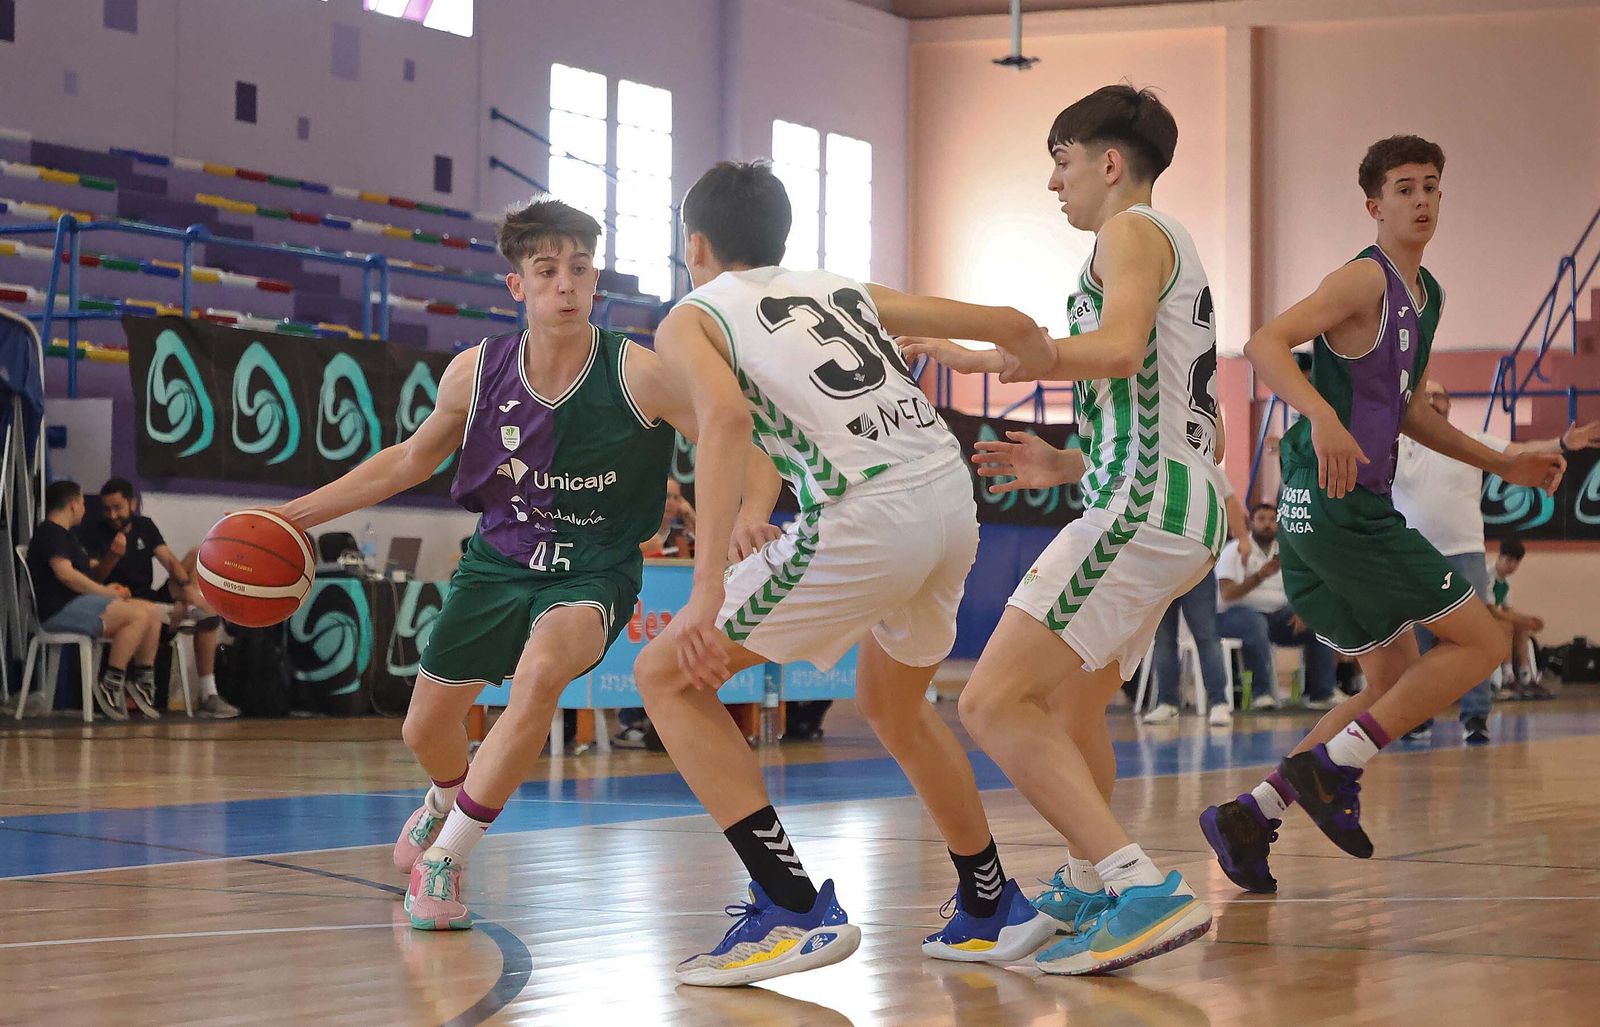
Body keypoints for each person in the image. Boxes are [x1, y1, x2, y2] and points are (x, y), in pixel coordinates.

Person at [266, 197, 751, 931]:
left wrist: (754, 511)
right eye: (547, 270)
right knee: (424, 729)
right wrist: (292, 516)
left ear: (596, 282)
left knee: (539, 673)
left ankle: (447, 858)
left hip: (592, 572)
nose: (566, 285)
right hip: (499, 562)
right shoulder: (477, 372)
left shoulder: (640, 373)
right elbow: (406, 460)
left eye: (580, 270)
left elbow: (733, 432)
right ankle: (442, 797)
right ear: (517, 285)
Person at [632, 160, 1060, 987]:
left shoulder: (691, 314)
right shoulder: (842, 286)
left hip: (871, 513)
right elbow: (1012, 322)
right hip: (949, 497)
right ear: (782, 236)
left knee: (665, 674)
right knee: (892, 702)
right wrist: (1031, 351)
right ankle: (990, 903)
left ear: (697, 244)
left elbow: (721, 421)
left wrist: (706, 590)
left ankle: (789, 905)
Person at [909, 85, 1225, 975]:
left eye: (1062, 159)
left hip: (1142, 506)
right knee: (1072, 710)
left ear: (1109, 161)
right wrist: (1066, 462)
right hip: (1166, 500)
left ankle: (1139, 887)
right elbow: (1180, 409)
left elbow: (1119, 348)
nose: (1055, 182)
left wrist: (1019, 354)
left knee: (990, 701)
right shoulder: (1169, 247)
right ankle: (1091, 879)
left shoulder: (1129, 232)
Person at [1198, 135, 1564, 895]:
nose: (1422, 199)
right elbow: (1262, 343)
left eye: (1432, 185)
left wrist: (1504, 462)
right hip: (1338, 507)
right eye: (1404, 188)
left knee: (1390, 676)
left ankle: (1250, 815)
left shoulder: (1426, 296)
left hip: (1335, 509)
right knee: (1485, 640)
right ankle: (1335, 767)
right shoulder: (1362, 278)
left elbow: (1404, 412)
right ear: (1375, 205)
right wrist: (1319, 415)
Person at [1393, 382, 1595, 741]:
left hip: (1465, 551)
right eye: (1425, 395)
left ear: (1450, 403)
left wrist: (1563, 444)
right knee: (1421, 644)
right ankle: (1419, 718)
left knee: (1475, 640)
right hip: (1413, 554)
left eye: (1439, 395)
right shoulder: (1395, 445)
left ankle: (1475, 718)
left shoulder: (1471, 442)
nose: (1432, 401)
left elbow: (1520, 451)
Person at [79, 478, 237, 719]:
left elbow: (170, 561)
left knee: (198, 554)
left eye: (118, 508)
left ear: (132, 504)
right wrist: (112, 555)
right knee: (187, 611)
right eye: (107, 509)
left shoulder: (145, 526)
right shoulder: (94, 532)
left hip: (150, 596)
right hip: (120, 600)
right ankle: (186, 610)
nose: (112, 515)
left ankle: (208, 693)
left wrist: (186, 590)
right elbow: (95, 578)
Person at [24, 481, 165, 720]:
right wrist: (104, 593)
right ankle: (111, 682)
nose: (84, 508)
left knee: (152, 612)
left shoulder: (68, 537)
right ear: (72, 504)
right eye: (81, 503)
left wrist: (107, 587)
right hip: (60, 610)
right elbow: (65, 575)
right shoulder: (50, 532)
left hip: (79, 603)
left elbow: (88, 575)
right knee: (136, 617)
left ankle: (143, 680)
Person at [1214, 503, 1341, 711]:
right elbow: (1227, 594)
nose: (1267, 525)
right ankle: (1261, 694)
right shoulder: (1235, 550)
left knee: (1318, 621)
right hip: (1232, 616)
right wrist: (1259, 576)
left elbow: (1302, 588)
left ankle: (1322, 693)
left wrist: (1302, 610)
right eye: (1261, 519)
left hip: (1277, 617)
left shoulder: (1286, 551)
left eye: (1272, 520)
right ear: (1251, 523)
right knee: (1255, 624)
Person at [1486, 538, 1548, 699]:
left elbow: (1508, 611)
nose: (1512, 566)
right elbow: (1492, 611)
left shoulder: (1506, 582)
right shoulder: (1488, 575)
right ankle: (1507, 677)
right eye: (1509, 560)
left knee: (1521, 628)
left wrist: (1529, 621)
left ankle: (1525, 676)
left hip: (1493, 619)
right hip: (1479, 619)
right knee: (1507, 626)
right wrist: (1522, 620)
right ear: (1500, 557)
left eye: (1516, 562)